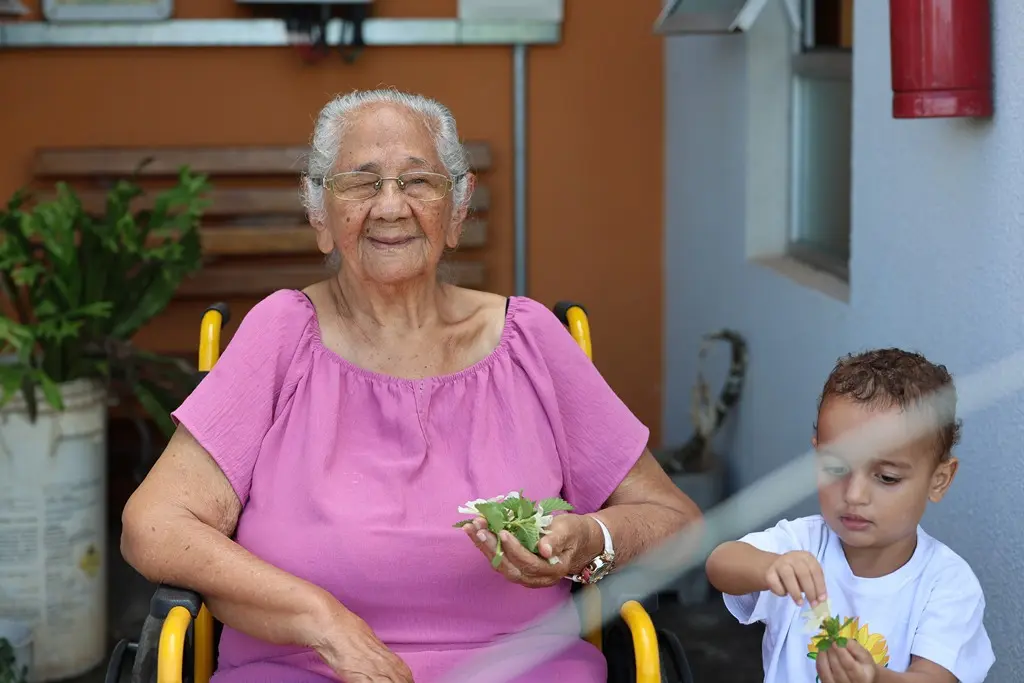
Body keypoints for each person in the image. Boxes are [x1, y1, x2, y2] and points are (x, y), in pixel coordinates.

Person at [119, 88, 702, 683]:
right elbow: (155, 522)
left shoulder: (531, 340)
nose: (391, 207)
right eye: (360, 182)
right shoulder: (282, 335)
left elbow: (675, 519)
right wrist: (323, 621)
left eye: (419, 181)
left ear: (458, 207)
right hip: (307, 668)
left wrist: (590, 538)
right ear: (320, 213)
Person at [705, 348, 995, 683]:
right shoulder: (803, 544)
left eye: (886, 477)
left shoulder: (947, 583)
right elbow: (720, 563)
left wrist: (875, 678)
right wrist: (769, 567)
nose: (854, 495)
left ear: (939, 479)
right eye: (836, 467)